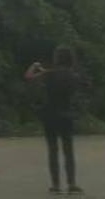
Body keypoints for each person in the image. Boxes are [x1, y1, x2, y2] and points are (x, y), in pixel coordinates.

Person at [25, 46, 84, 196]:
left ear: (56, 59)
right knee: (68, 150)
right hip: (67, 115)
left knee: (53, 150)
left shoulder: (48, 74)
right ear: (70, 59)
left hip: (50, 115)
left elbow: (29, 77)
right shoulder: (73, 76)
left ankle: (56, 185)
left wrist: (35, 66)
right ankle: (72, 184)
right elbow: (79, 89)